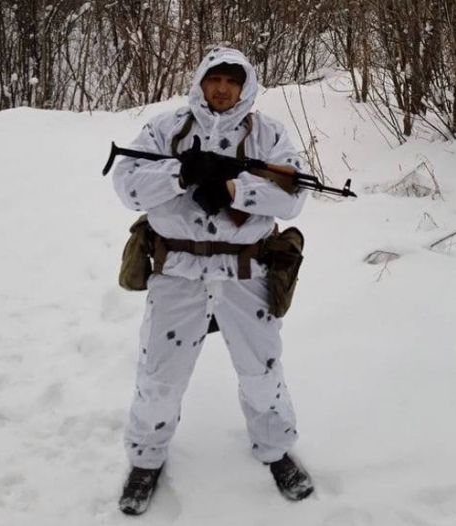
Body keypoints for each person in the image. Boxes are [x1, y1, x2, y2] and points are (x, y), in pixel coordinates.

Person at [112, 47, 312, 515]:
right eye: (214, 79)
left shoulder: (268, 134)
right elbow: (127, 184)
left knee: (262, 370)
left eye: (232, 81)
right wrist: (180, 174)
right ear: (200, 82)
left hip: (245, 274)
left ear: (245, 87)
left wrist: (232, 189)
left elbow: (293, 197)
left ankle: (275, 450)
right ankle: (146, 459)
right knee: (160, 376)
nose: (222, 89)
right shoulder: (167, 129)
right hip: (177, 273)